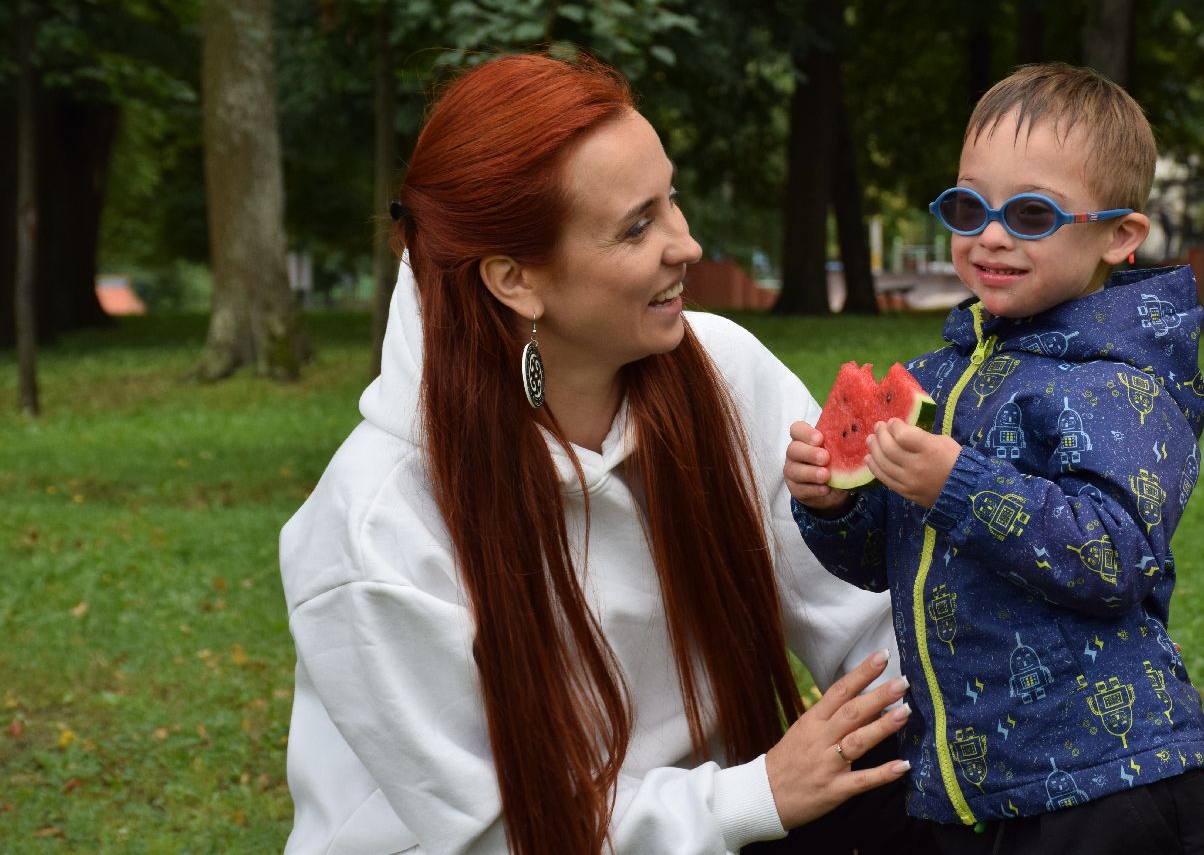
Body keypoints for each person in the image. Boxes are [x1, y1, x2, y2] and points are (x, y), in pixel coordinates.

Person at [279, 53, 928, 855]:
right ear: (515, 279)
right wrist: (751, 795)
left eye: (672, 200)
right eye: (637, 226)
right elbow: (491, 834)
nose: (686, 244)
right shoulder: (374, 527)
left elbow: (869, 628)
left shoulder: (723, 370)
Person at [785, 64, 1204, 854]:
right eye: (969, 207)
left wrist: (958, 482)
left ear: (1120, 236)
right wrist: (834, 504)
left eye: (1030, 213)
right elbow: (879, 563)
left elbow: (1112, 556)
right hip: (969, 791)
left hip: (1105, 784)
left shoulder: (1121, 385)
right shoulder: (933, 378)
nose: (990, 235)